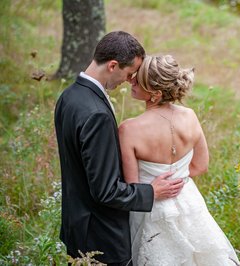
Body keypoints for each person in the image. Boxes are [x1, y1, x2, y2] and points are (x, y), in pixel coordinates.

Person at [54, 31, 184, 265]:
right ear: (113, 65)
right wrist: (152, 192)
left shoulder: (69, 96)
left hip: (76, 225)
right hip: (100, 238)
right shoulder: (96, 114)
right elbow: (105, 191)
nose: (129, 80)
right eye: (129, 73)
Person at [119, 54, 240, 265]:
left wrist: (156, 187)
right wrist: (178, 180)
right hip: (188, 200)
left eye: (139, 79)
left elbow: (133, 186)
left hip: (152, 209)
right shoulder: (190, 116)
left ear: (155, 94)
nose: (132, 80)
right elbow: (201, 165)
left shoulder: (129, 129)